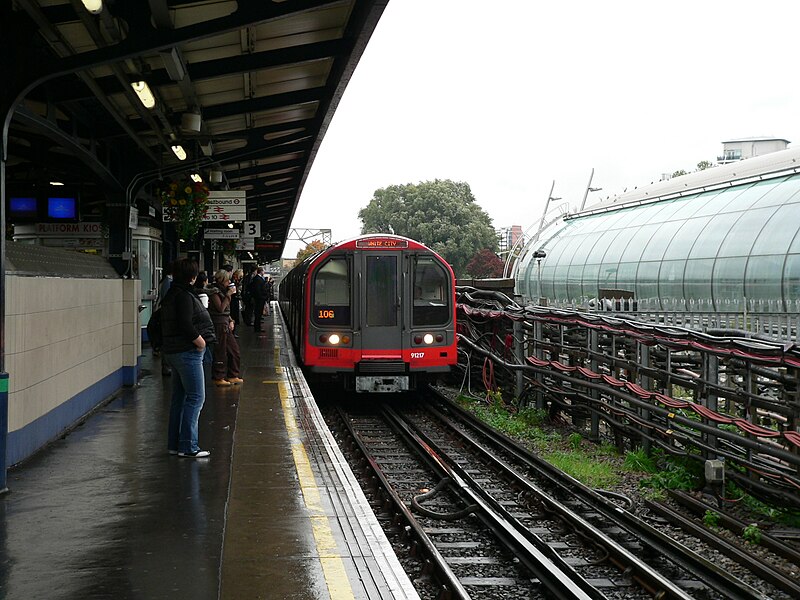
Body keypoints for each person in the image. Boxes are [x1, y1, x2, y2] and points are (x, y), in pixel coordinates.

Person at [160, 258, 216, 458]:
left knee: (179, 398)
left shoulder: (170, 294)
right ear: (192, 278)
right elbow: (185, 324)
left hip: (173, 352)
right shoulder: (184, 296)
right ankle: (189, 446)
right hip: (187, 352)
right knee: (196, 398)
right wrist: (200, 342)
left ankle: (175, 444)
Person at [208, 270, 243, 386]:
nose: (229, 282)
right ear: (222, 280)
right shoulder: (214, 292)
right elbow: (220, 308)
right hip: (218, 324)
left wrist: (230, 320)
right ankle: (218, 376)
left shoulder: (222, 291)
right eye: (227, 280)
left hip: (225, 323)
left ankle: (233, 374)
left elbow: (225, 311)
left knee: (234, 350)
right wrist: (228, 295)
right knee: (220, 351)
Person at [249, 267, 269, 332]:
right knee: (258, 314)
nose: (264, 272)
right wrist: (262, 297)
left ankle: (258, 327)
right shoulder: (258, 279)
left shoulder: (258, 278)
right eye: (263, 271)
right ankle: (257, 328)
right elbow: (258, 290)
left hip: (259, 299)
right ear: (261, 271)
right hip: (259, 299)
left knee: (259, 314)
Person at [230, 268, 243, 336]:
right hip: (233, 301)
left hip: (234, 300)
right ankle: (232, 332)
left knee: (234, 316)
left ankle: (233, 332)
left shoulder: (235, 281)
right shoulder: (233, 281)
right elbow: (234, 291)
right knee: (234, 316)